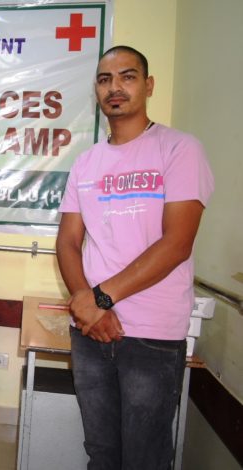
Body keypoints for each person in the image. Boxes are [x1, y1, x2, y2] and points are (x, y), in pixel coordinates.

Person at [56, 45, 214, 469]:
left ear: (148, 85)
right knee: (101, 452)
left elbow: (176, 242)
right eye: (105, 79)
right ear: (97, 91)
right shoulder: (85, 164)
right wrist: (85, 303)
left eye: (127, 76)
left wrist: (99, 298)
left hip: (152, 335)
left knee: (145, 457)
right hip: (89, 332)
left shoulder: (179, 149)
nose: (115, 87)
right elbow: (68, 242)